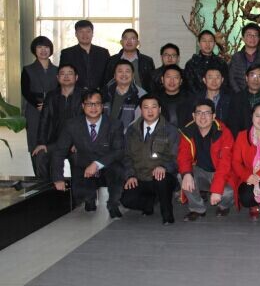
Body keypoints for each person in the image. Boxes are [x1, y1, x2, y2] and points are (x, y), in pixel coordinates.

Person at [51, 89, 125, 218]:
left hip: (107, 165)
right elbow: (59, 152)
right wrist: (58, 178)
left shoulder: (115, 124)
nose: (93, 108)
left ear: (102, 106)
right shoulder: (72, 125)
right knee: (80, 194)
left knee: (118, 170)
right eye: (89, 104)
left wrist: (97, 164)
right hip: (83, 165)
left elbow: (118, 150)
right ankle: (89, 198)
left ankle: (113, 204)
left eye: (97, 104)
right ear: (83, 106)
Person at [121, 94, 178, 224]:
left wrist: (164, 167)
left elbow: (176, 157)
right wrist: (130, 175)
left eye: (154, 107)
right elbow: (126, 156)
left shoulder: (171, 130)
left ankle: (167, 215)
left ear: (160, 109)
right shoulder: (132, 130)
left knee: (161, 179)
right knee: (126, 200)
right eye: (146, 107)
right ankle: (149, 203)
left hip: (162, 177)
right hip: (140, 177)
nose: (150, 111)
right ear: (141, 110)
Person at [178, 99, 236, 221]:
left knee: (227, 193)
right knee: (182, 176)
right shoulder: (187, 131)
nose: (203, 117)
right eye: (199, 113)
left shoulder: (224, 133)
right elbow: (183, 156)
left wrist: (217, 190)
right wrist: (187, 173)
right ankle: (197, 209)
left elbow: (225, 164)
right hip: (200, 171)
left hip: (220, 173)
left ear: (213, 116)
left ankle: (223, 206)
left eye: (207, 113)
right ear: (193, 115)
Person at [32, 64, 82, 181]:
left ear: (76, 77)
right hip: (56, 142)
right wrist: (41, 143)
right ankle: (46, 189)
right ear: (58, 78)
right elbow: (44, 120)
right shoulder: (51, 96)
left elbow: (90, 121)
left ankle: (77, 191)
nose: (66, 76)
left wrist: (81, 142)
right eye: (62, 74)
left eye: (70, 73)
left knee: (78, 158)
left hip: (77, 143)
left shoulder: (84, 96)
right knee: (40, 155)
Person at [22, 36, 59, 176]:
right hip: (34, 110)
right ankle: (39, 178)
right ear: (34, 50)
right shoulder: (28, 69)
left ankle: (52, 179)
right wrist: (38, 104)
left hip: (53, 110)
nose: (43, 50)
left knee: (52, 143)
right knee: (35, 142)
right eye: (39, 47)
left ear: (51, 50)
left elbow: (60, 90)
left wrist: (49, 105)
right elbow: (25, 91)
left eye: (46, 47)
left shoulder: (58, 70)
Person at [226, 64, 260, 135]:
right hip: (242, 139)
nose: (256, 79)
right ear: (246, 78)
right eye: (252, 75)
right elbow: (233, 125)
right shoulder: (236, 98)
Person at [59, 19, 110, 90]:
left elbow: (108, 75)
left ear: (92, 33)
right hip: (75, 93)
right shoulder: (67, 53)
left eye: (88, 31)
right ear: (76, 34)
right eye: (81, 31)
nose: (85, 34)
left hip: (99, 93)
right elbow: (63, 76)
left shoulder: (103, 53)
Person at [102, 60, 146, 132]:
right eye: (120, 71)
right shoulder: (104, 93)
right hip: (105, 134)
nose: (124, 74)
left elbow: (140, 121)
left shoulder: (141, 95)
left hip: (129, 136)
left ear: (133, 75)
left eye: (127, 71)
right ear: (114, 75)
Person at [184, 30, 229, 94]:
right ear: (198, 43)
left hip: (219, 98)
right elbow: (189, 87)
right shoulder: (191, 63)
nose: (207, 44)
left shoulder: (221, 63)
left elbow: (225, 84)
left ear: (214, 43)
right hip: (197, 98)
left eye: (210, 41)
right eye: (204, 41)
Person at [228, 23, 260, 93]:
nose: (252, 37)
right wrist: (240, 94)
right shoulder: (236, 57)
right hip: (239, 95)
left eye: (255, 35)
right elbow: (231, 78)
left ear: (259, 39)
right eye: (249, 35)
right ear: (243, 38)